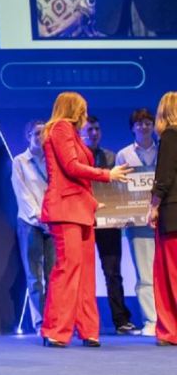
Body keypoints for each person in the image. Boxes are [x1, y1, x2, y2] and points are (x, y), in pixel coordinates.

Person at [40, 92, 131, 347]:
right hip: (65, 208)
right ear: (74, 109)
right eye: (83, 109)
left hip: (80, 208)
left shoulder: (71, 133)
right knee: (68, 269)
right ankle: (55, 330)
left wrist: (91, 201)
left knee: (86, 273)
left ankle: (88, 329)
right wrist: (107, 174)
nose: (85, 114)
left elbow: (77, 178)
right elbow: (70, 167)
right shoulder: (60, 128)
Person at [82, 115, 138, 334]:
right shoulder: (76, 158)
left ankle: (121, 320)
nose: (94, 133)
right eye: (89, 129)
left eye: (97, 129)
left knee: (113, 272)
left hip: (108, 222)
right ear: (80, 133)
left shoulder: (111, 157)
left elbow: (120, 189)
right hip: (83, 220)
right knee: (82, 274)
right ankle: (83, 323)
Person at [115, 107, 159, 335]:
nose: (144, 127)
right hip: (138, 224)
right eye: (139, 123)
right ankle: (151, 321)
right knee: (145, 274)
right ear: (132, 128)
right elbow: (118, 190)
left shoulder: (165, 150)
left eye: (148, 122)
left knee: (169, 273)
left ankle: (170, 319)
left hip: (165, 221)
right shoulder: (124, 155)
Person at [11, 120, 55, 332]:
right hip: (30, 222)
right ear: (28, 136)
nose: (41, 137)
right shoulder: (20, 161)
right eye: (37, 133)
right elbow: (22, 193)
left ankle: (55, 320)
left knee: (53, 274)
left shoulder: (53, 160)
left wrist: (51, 217)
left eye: (44, 133)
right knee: (34, 276)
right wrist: (38, 216)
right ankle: (40, 322)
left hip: (52, 222)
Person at [148, 92, 177, 346]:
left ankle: (170, 330)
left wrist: (154, 206)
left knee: (169, 275)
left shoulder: (170, 135)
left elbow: (165, 177)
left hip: (172, 213)